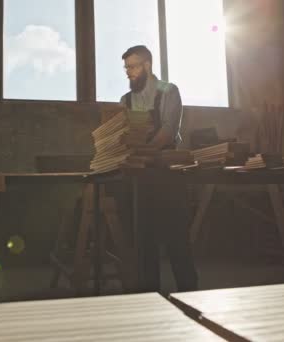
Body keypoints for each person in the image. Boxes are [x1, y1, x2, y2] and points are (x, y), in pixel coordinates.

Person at [120, 45, 198, 292]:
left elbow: (167, 129)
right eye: (126, 68)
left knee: (177, 236)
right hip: (139, 176)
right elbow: (122, 134)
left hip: (166, 171)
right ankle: (149, 294)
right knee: (144, 238)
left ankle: (189, 292)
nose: (128, 73)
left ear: (147, 65)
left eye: (132, 67)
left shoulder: (168, 91)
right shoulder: (125, 100)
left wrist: (147, 151)